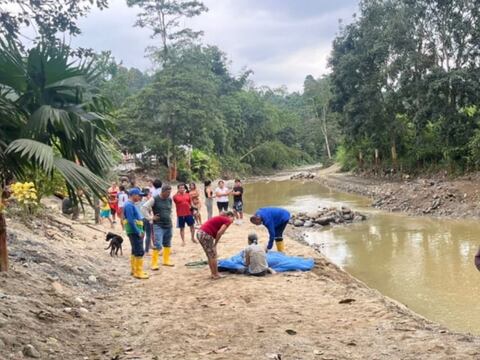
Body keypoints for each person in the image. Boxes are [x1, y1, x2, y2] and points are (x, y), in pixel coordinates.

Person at [142, 184, 174, 269]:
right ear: (162, 191)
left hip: (168, 224)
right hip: (158, 225)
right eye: (167, 192)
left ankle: (166, 260)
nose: (169, 194)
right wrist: (150, 218)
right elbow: (144, 208)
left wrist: (170, 218)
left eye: (170, 192)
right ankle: (154, 263)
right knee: (157, 244)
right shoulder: (154, 199)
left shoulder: (169, 199)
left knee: (167, 243)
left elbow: (170, 210)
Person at [196, 211, 235, 279]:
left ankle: (213, 273)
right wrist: (215, 244)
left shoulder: (220, 218)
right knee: (213, 255)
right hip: (205, 234)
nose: (233, 221)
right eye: (233, 218)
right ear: (229, 216)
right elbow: (220, 232)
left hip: (200, 233)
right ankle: (216, 274)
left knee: (209, 255)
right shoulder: (228, 220)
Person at [123, 188, 148, 279]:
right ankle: (138, 272)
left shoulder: (130, 204)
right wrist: (138, 231)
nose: (140, 197)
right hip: (134, 231)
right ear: (133, 195)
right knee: (139, 251)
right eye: (139, 195)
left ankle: (134, 270)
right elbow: (130, 220)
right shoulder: (129, 205)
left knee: (135, 250)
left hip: (134, 230)